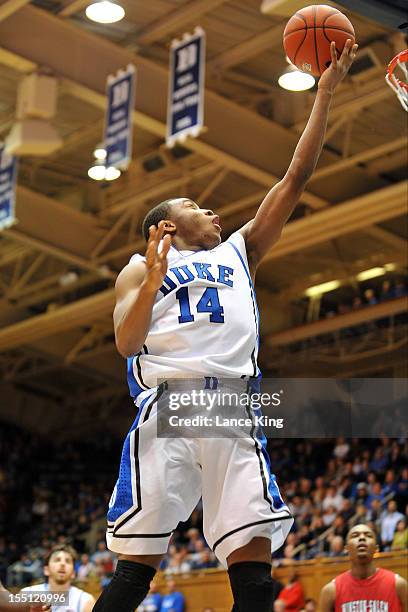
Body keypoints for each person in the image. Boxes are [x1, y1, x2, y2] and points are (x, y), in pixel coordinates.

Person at [93, 40, 358, 612]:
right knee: (134, 571)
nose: (213, 212)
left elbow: (293, 181)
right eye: (195, 204)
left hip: (232, 407)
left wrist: (325, 94)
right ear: (165, 223)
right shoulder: (139, 267)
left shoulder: (241, 250)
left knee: (255, 572)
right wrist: (155, 274)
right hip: (166, 407)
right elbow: (126, 342)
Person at [319, 524, 407, 611]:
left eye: (368, 535)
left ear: (376, 549)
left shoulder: (398, 585)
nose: (362, 538)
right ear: (346, 549)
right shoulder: (331, 591)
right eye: (355, 536)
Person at [21, 545, 95, 612]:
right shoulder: (26, 594)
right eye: (57, 560)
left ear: (73, 573)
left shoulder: (86, 601)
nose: (62, 564)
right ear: (46, 570)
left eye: (68, 561)